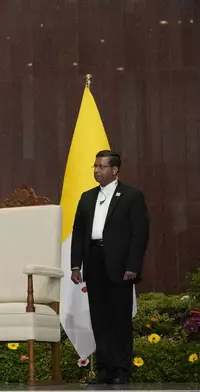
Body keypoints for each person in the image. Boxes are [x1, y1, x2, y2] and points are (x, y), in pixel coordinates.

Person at [70, 150, 149, 384]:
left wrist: (133, 265)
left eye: (101, 166)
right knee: (100, 318)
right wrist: (76, 265)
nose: (96, 170)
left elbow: (140, 234)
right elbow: (78, 234)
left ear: (114, 170)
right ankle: (104, 369)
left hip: (120, 265)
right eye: (94, 166)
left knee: (120, 319)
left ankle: (122, 370)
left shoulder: (132, 196)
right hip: (93, 261)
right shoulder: (86, 197)